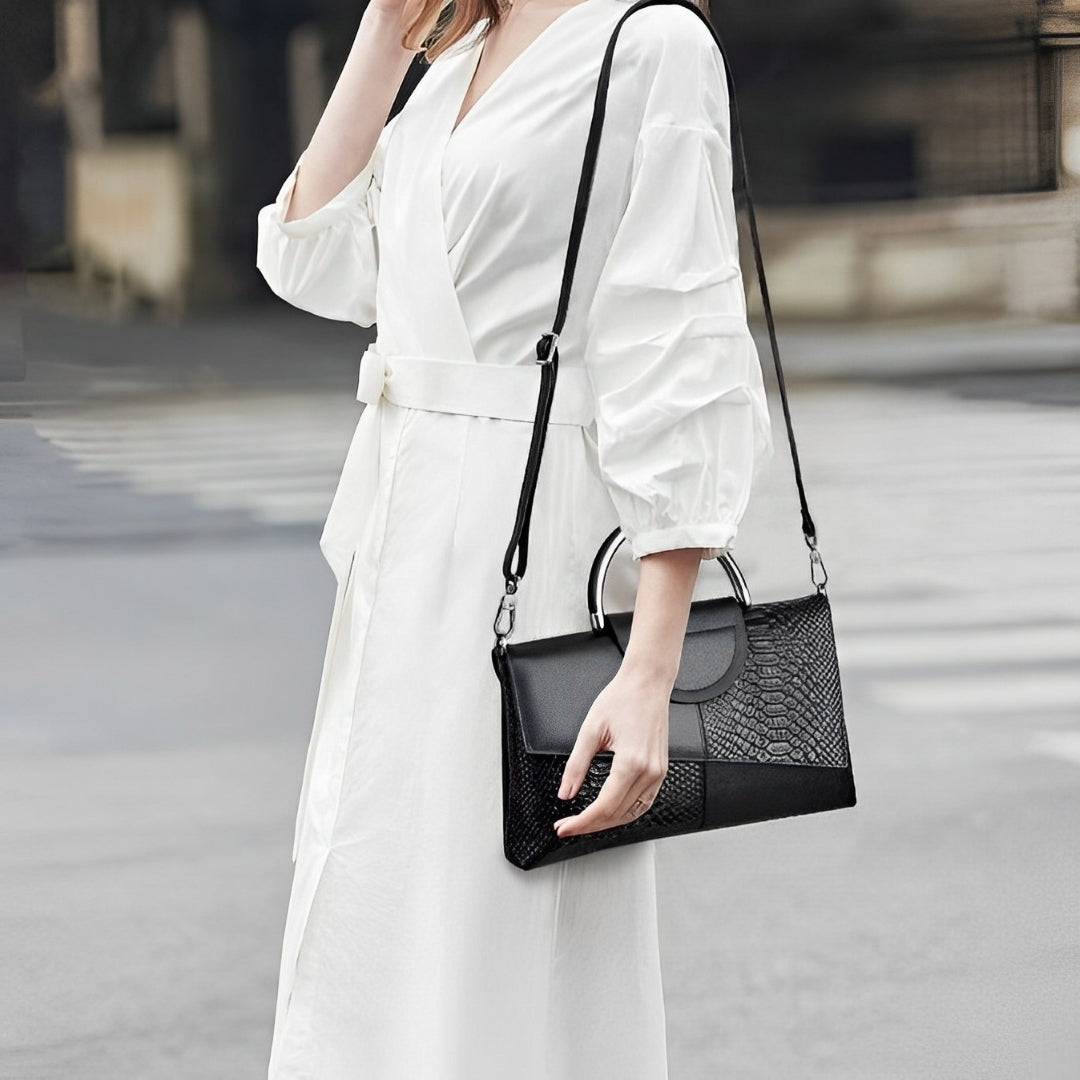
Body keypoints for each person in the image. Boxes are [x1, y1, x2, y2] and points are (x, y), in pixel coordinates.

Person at [255, 0, 773, 1074]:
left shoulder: (652, 43)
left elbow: (677, 342)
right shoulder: (451, 59)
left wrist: (650, 666)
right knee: (372, 894)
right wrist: (385, 30)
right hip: (404, 545)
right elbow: (310, 259)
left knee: (507, 927)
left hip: (530, 541)